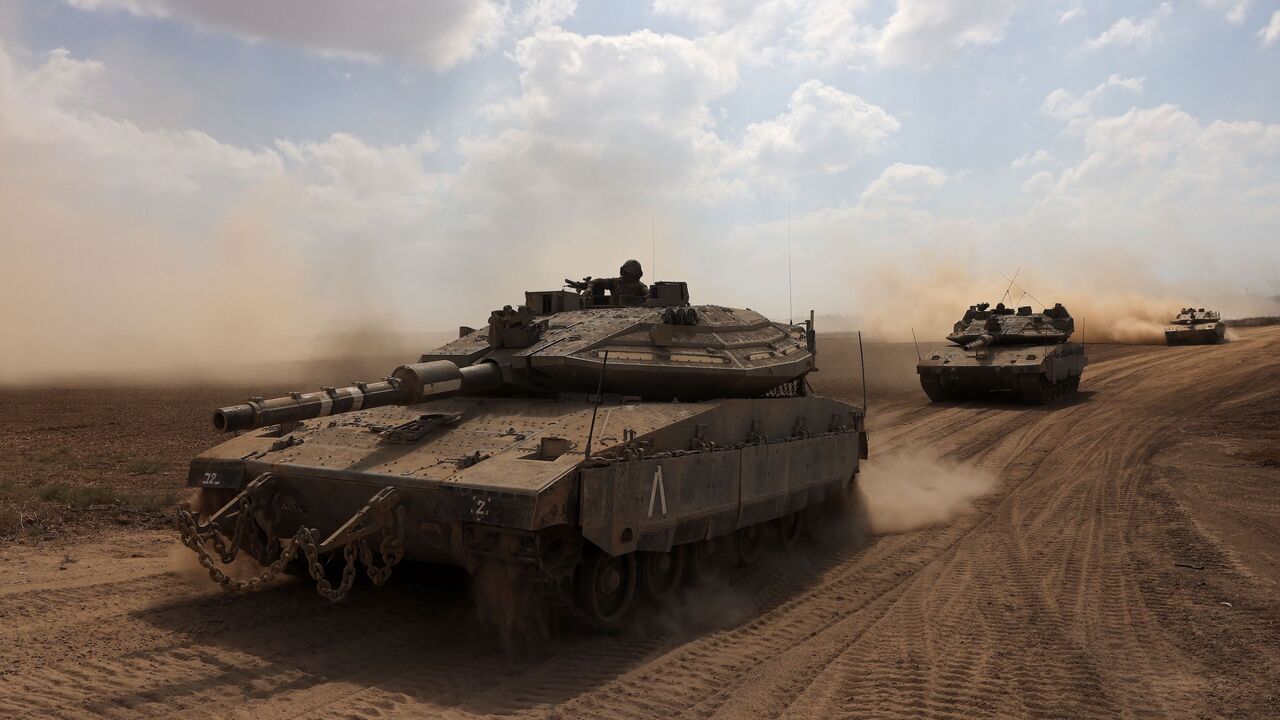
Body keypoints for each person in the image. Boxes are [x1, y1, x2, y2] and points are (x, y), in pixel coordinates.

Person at [566, 259, 648, 300]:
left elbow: (648, 293)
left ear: (637, 274)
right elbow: (598, 281)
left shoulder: (640, 286)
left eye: (633, 272)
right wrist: (589, 288)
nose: (629, 274)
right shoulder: (615, 282)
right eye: (628, 271)